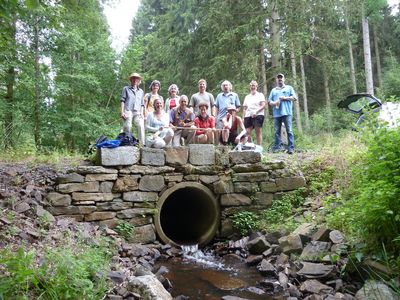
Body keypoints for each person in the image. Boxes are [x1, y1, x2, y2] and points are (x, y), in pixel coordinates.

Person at [268, 73, 297, 154]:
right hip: (277, 113)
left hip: (287, 112)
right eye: (278, 78)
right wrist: (274, 103)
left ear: (284, 79)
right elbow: (269, 101)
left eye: (281, 78)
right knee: (277, 131)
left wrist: (285, 98)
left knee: (289, 130)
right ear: (276, 80)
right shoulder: (273, 90)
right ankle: (278, 147)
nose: (280, 79)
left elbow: (294, 98)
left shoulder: (289, 88)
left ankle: (291, 148)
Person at [120, 72, 145, 145]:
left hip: (138, 111)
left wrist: (142, 113)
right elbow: (122, 101)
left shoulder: (141, 91)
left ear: (139, 81)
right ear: (131, 80)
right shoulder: (126, 89)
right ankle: (127, 142)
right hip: (128, 110)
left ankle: (142, 144)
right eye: (133, 78)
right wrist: (122, 112)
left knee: (140, 125)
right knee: (128, 126)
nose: (135, 80)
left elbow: (142, 104)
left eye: (136, 78)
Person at [243, 80, 266, 145]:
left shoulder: (260, 95)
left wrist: (256, 111)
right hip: (248, 115)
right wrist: (243, 117)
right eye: (251, 85)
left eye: (254, 85)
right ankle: (250, 146)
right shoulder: (247, 97)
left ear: (256, 86)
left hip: (258, 115)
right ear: (249, 87)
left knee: (258, 131)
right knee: (247, 132)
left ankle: (259, 147)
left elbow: (263, 105)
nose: (252, 87)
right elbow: (244, 108)